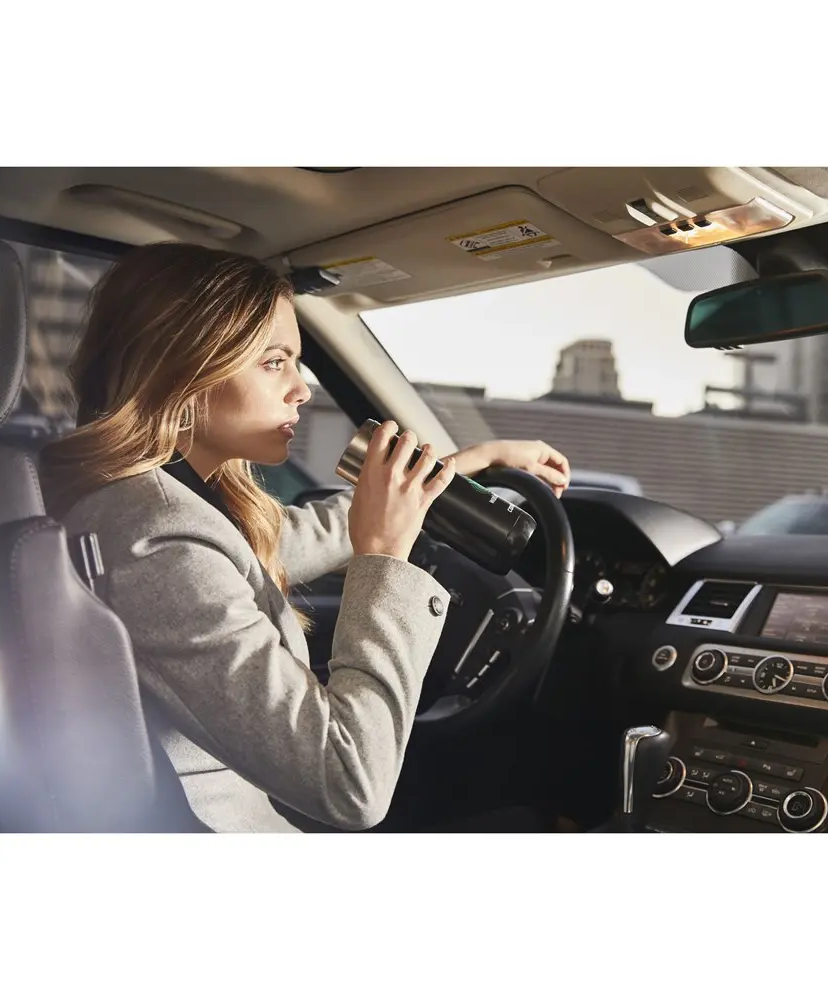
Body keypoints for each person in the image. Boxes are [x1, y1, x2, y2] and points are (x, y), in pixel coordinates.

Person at [39, 242, 571, 833]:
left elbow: (294, 538)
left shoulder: (161, 503)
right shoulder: (159, 539)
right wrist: (385, 557)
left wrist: (465, 463)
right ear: (184, 370)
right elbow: (351, 782)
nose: (303, 389)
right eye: (275, 363)